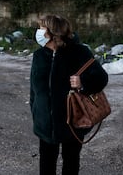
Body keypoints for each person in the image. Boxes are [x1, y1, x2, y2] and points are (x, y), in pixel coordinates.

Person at [29, 14, 108, 175]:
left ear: (52, 32)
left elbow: (101, 78)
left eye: (41, 28)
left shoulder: (79, 52)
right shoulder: (39, 56)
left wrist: (83, 82)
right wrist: (36, 112)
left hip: (72, 120)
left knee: (71, 161)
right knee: (46, 163)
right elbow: (33, 89)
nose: (38, 31)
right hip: (45, 123)